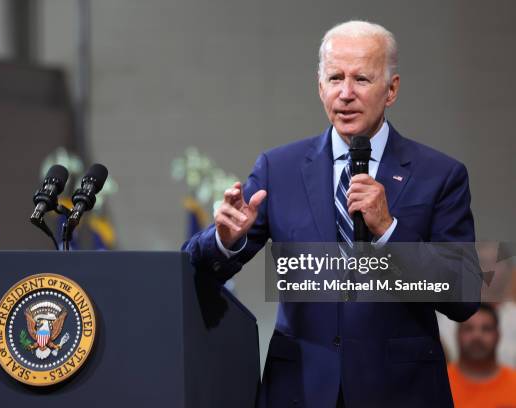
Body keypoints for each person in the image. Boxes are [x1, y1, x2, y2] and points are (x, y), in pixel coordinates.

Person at [183, 20, 480, 407]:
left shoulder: (439, 175)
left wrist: (390, 231)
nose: (345, 93)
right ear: (320, 86)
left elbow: (464, 295)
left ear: (391, 90)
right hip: (301, 389)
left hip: (400, 390)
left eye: (361, 79)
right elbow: (194, 268)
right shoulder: (280, 168)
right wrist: (224, 240)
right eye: (335, 77)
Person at [448, 303, 516, 407]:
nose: (477, 336)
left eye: (486, 328)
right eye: (469, 328)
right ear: (457, 334)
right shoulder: (438, 381)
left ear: (498, 335)